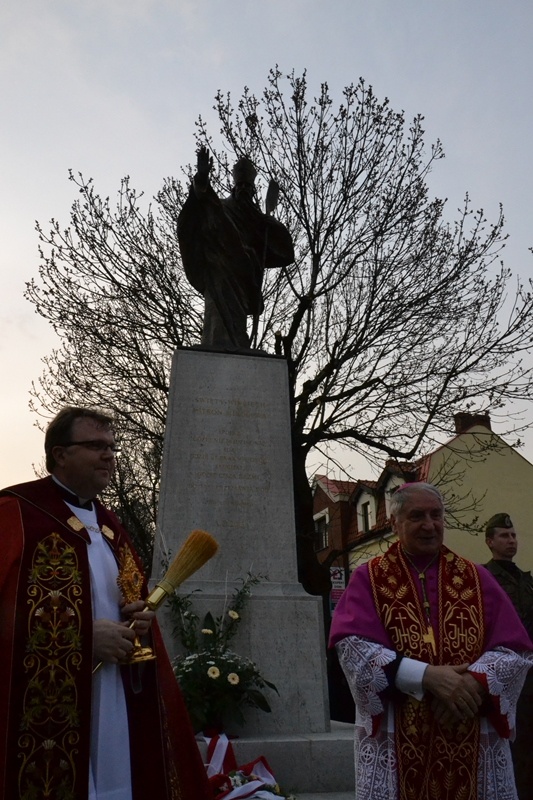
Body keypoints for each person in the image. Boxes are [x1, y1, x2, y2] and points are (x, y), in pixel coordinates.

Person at [0, 407, 211, 800]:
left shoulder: (111, 526)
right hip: (46, 703)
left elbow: (128, 600)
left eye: (112, 447)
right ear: (60, 454)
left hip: (115, 694)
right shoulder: (16, 514)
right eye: (96, 446)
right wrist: (79, 639)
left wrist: (139, 617)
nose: (110, 455)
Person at [330, 482, 533, 800]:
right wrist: (426, 677)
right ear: (395, 523)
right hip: (399, 737)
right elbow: (354, 648)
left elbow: (515, 649)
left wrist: (472, 685)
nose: (429, 525)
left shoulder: (476, 578)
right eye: (417, 516)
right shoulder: (369, 578)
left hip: (470, 728)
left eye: (436, 515)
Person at [177, 146, 295, 350]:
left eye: (247, 186)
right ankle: (216, 348)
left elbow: (282, 251)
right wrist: (202, 179)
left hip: (243, 276)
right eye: (239, 185)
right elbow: (200, 205)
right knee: (216, 317)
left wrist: (269, 224)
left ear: (253, 190)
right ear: (234, 187)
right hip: (219, 271)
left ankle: (237, 349)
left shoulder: (258, 219)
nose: (243, 189)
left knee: (237, 321)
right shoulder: (221, 207)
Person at [483, 513, 533, 800]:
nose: (511, 541)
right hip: (502, 675)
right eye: (504, 536)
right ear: (490, 542)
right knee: (510, 745)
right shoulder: (484, 578)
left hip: (530, 675)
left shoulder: (526, 581)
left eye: (513, 535)